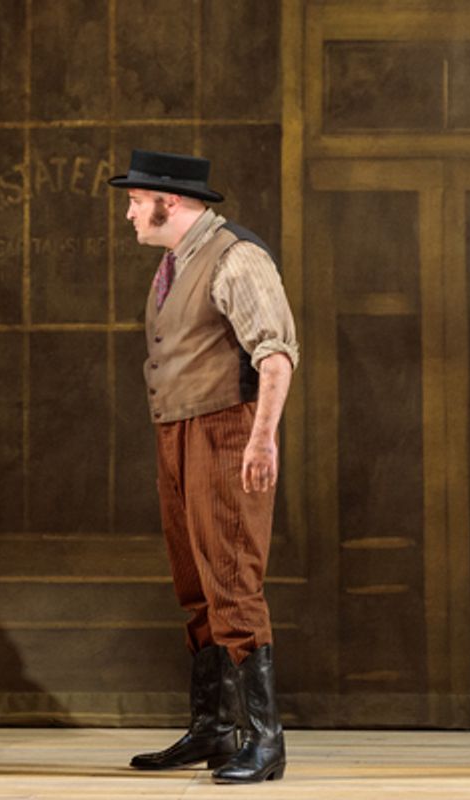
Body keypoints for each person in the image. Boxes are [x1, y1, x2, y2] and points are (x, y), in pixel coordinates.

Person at [108, 151, 298, 784]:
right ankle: (216, 727)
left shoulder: (235, 257)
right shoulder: (175, 262)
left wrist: (262, 439)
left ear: (174, 201)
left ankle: (264, 740)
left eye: (137, 200)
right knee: (195, 585)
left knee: (232, 579)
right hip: (178, 430)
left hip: (224, 430)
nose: (130, 211)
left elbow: (274, 354)